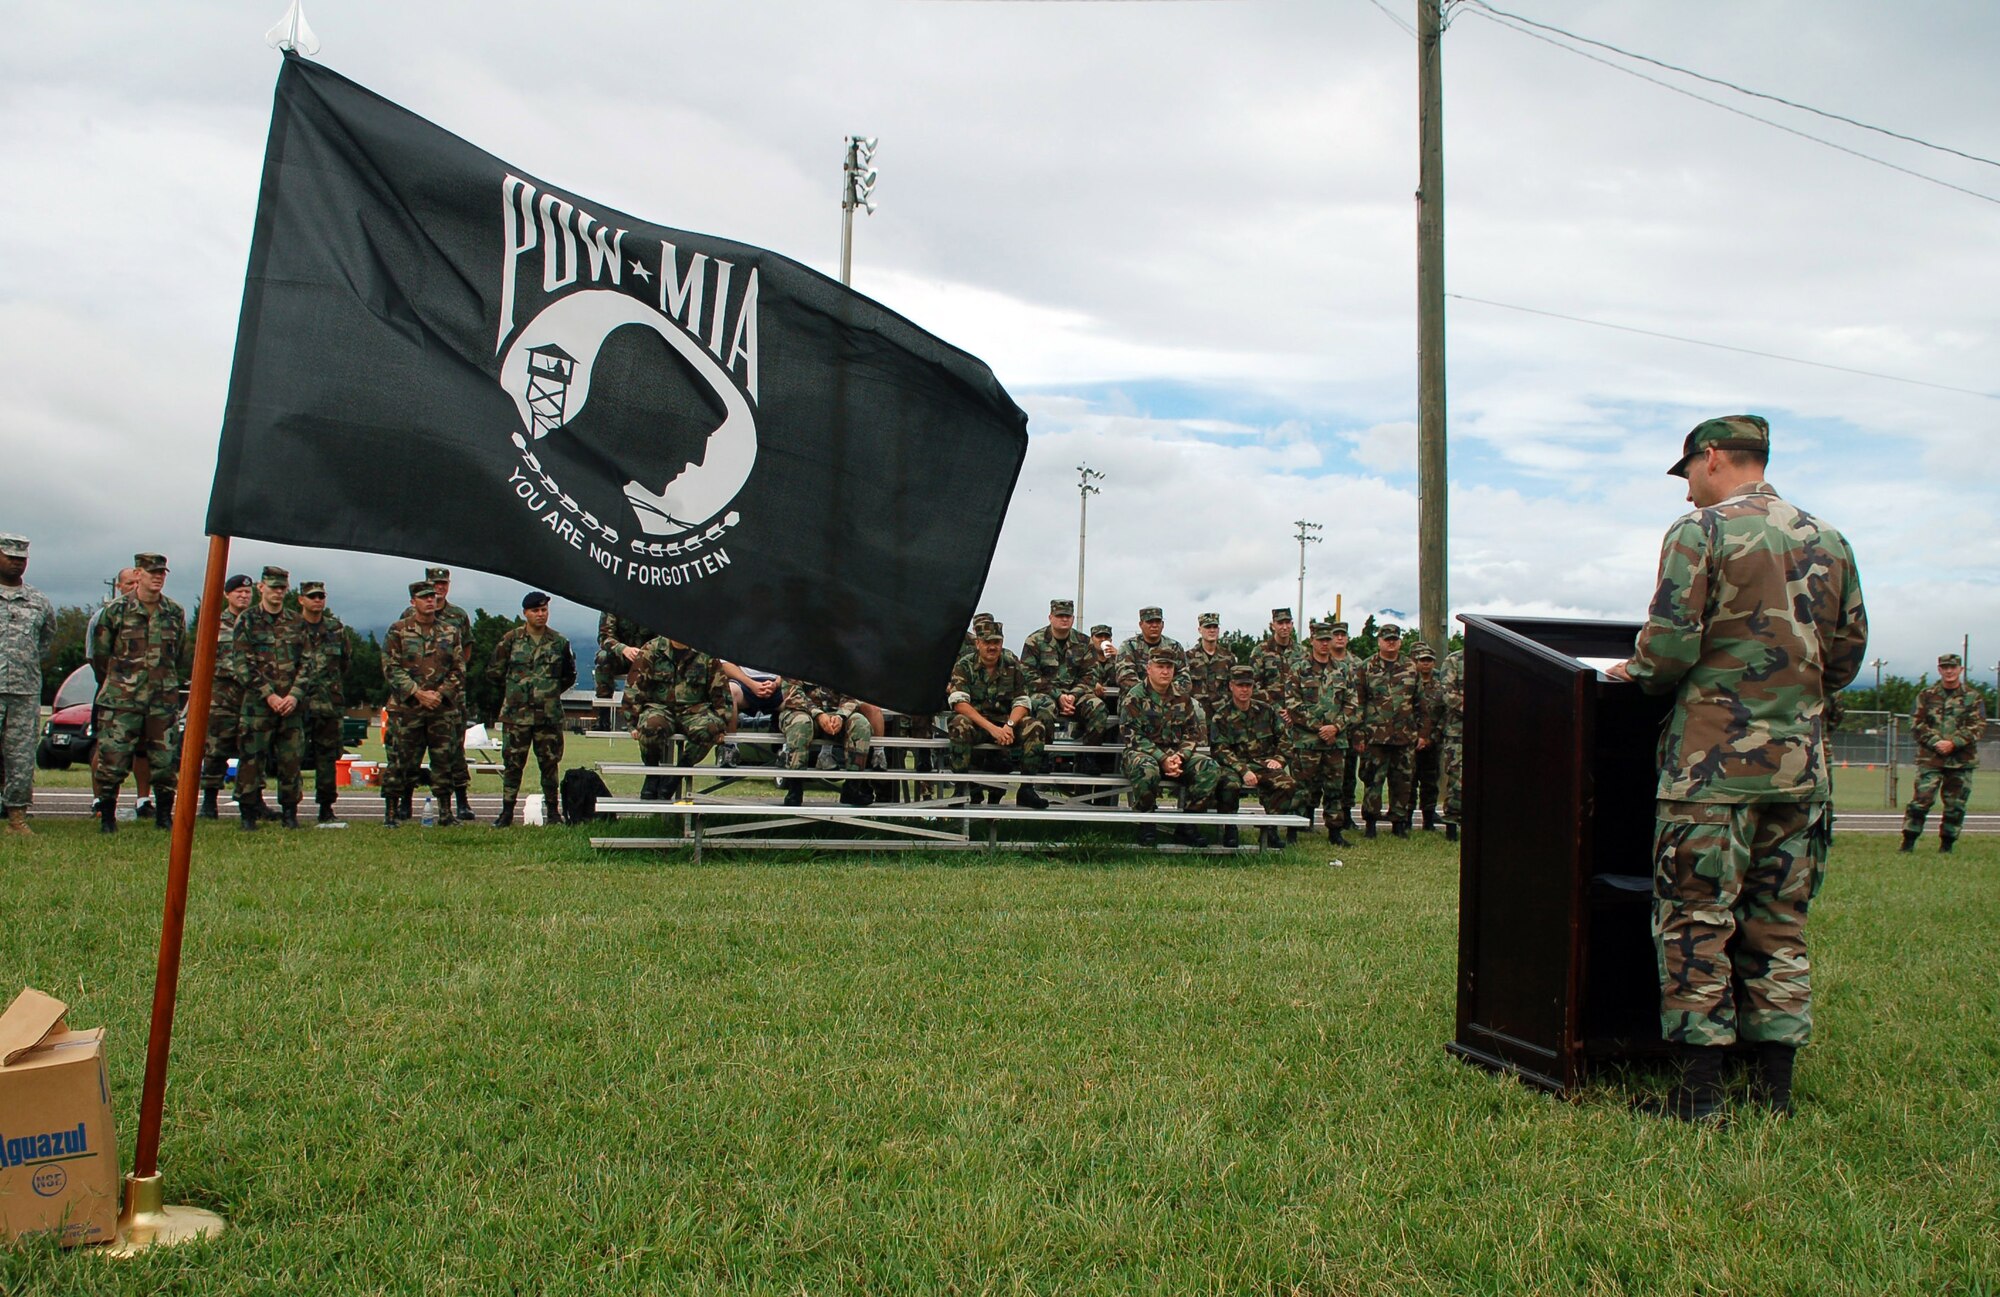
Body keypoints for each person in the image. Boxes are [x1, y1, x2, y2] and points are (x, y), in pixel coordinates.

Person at [1610, 414, 1867, 1121]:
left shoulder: (1702, 534)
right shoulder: (1830, 539)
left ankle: (1699, 1095)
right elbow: (1845, 657)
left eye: (1688, 471)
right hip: (1799, 772)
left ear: (1713, 457)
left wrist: (1629, 671)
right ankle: (1773, 1090)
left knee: (1696, 920)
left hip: (1710, 773)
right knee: (1779, 922)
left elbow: (1666, 649)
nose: (1688, 488)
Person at [89, 552, 186, 833]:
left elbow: (177, 653)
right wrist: (120, 683)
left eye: (162, 573)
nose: (158, 577)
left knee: (165, 762)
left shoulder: (173, 612)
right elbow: (101, 656)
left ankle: (164, 816)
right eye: (152, 571)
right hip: (122, 700)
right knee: (113, 760)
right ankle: (107, 817)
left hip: (162, 700)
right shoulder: (115, 611)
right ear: (138, 574)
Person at [229, 565, 315, 830]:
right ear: (261, 588)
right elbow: (242, 663)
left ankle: (290, 812)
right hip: (258, 705)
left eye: (282, 588)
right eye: (273, 587)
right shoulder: (247, 620)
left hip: (291, 706)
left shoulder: (297, 622)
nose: (277, 593)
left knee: (290, 761)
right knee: (251, 761)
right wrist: (268, 695)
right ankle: (248, 812)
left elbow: (308, 663)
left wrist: (294, 695)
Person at [381, 579, 468, 827]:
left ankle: (445, 812)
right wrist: (418, 693)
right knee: (400, 761)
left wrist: (440, 694)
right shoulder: (398, 630)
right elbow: (391, 667)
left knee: (444, 760)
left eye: (433, 596)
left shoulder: (450, 632)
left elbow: (459, 669)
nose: (431, 600)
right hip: (407, 708)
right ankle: (391, 811)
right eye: (424, 597)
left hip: (441, 709)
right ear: (413, 602)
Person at [486, 591, 575, 827]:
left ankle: (554, 812)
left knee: (549, 765)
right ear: (525, 613)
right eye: (535, 611)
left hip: (548, 715)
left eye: (544, 610)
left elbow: (568, 676)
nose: (540, 614)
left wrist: (547, 692)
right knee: (513, 765)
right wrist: (517, 691)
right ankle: (506, 812)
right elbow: (495, 672)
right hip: (517, 716)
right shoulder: (510, 640)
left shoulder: (559, 642)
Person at [1121, 646, 1219, 848]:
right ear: (1149, 668)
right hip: (1142, 754)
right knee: (1146, 768)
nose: (1165, 671)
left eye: (1169, 667)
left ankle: (1189, 824)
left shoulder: (1183, 698)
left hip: (1177, 757)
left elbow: (1193, 733)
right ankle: (1146, 822)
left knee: (1209, 767)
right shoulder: (1135, 697)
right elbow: (1132, 735)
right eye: (1160, 666)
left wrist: (1180, 757)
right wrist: (1162, 758)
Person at [947, 623, 1048, 808]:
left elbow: (1022, 701)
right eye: (987, 642)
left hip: (1005, 723)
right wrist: (993, 729)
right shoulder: (964, 665)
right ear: (978, 643)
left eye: (996, 641)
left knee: (1035, 726)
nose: (992, 646)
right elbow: (959, 703)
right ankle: (961, 787)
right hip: (978, 723)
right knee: (958, 723)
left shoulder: (1012, 665)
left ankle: (1026, 788)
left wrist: (1009, 725)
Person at [403, 567, 475, 821]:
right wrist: (419, 690)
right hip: (416, 695)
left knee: (453, 750)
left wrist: (447, 686)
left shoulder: (458, 616)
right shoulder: (408, 616)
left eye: (443, 583)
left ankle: (461, 802)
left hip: (450, 696)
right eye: (435, 584)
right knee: (410, 750)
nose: (439, 588)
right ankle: (404, 803)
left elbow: (464, 652)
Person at [626, 635, 730, 800]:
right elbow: (635, 686)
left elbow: (720, 692)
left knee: (710, 728)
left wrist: (722, 724)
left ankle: (677, 774)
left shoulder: (706, 653)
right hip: (659, 707)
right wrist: (632, 723)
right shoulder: (652, 649)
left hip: (694, 710)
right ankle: (652, 774)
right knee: (650, 726)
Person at [0, 533, 56, 838]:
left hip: (24, 691)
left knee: (20, 757)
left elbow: (45, 641)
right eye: (10, 557)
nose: (16, 564)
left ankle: (17, 818)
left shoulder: (37, 601)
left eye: (21, 559)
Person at [1902, 653, 1986, 854]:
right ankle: (1908, 841)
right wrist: (1935, 741)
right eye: (1945, 667)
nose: (1949, 671)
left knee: (1955, 806)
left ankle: (1947, 844)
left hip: (1961, 761)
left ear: (1960, 670)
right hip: (1931, 759)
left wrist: (1953, 743)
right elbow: (1915, 722)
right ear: (1939, 669)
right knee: (1921, 800)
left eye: (1953, 667)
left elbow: (1978, 725)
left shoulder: (1973, 697)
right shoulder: (1926, 695)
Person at [1286, 619, 1360, 846]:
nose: (1326, 644)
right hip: (1307, 741)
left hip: (1335, 742)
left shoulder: (1343, 670)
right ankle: (1293, 831)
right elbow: (1292, 704)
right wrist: (1319, 728)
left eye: (1328, 640)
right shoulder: (1298, 669)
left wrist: (1336, 727)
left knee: (1334, 789)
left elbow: (1352, 704)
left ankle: (1335, 831)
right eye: (1321, 640)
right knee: (1301, 789)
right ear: (1312, 641)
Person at [1209, 664, 1295, 849]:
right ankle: (1230, 828)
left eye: (1248, 686)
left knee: (1287, 783)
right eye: (1240, 685)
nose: (1244, 690)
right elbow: (1220, 750)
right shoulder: (1221, 716)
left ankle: (1271, 829)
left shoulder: (1267, 711)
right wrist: (1243, 770)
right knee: (1229, 784)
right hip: (1233, 766)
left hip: (1263, 764)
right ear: (1231, 686)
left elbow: (1285, 739)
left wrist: (1279, 759)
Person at [1355, 623, 1423, 838]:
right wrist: (1358, 733)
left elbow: (1420, 703)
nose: (1391, 642)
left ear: (1400, 642)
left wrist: (1423, 733)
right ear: (1379, 642)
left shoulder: (1411, 667)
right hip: (1375, 736)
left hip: (1405, 735)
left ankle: (1399, 823)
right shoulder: (1367, 667)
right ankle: (1371, 823)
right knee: (1373, 781)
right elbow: (1359, 702)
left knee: (1402, 781)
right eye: (1387, 639)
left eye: (1394, 639)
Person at [198, 574, 257, 818]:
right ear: (227, 595)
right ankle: (209, 801)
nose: (243, 596)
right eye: (238, 592)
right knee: (216, 750)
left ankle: (252, 799)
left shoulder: (256, 623)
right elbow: (204, 657)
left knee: (252, 750)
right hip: (222, 697)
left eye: (247, 592)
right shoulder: (214, 622)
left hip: (251, 696)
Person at [1020, 598, 1113, 753]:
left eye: (1067, 616)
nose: (1064, 619)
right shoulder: (1034, 641)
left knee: (1098, 707)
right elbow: (1029, 675)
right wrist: (1058, 696)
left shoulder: (1084, 642)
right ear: (1050, 617)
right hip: (1046, 694)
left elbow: (1090, 674)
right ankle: (1044, 756)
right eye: (1059, 616)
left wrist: (1072, 696)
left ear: (1073, 619)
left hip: (1075, 696)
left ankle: (1087, 756)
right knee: (1045, 709)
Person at [295, 580, 352, 822]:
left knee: (327, 758)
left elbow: (345, 662)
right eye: (312, 596)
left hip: (328, 703)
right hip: (297, 703)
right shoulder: (292, 628)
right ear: (301, 600)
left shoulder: (336, 629)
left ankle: (326, 807)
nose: (317, 600)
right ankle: (290, 808)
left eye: (321, 596)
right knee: (291, 757)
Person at [777, 681, 873, 807]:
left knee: (861, 724)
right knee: (801, 723)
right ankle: (795, 788)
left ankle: (852, 787)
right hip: (800, 711)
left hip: (836, 713)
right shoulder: (797, 662)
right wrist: (818, 714)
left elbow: (853, 694)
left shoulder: (846, 664)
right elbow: (792, 693)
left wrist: (841, 716)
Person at [1411, 643, 1444, 830]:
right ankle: (1405, 818)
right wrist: (1416, 736)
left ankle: (1429, 819)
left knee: (1430, 781)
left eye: (1429, 661)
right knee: (1409, 781)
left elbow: (1444, 712)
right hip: (1411, 740)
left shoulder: (1441, 684)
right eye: (1422, 660)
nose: (1426, 664)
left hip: (1433, 740)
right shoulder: (1409, 681)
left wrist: (1432, 736)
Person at [1115, 607, 1186, 693]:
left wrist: (1165, 692)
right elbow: (1125, 677)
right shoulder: (1129, 646)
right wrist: (1150, 692)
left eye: (1158, 622)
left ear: (1162, 624)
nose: (1154, 625)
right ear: (1141, 624)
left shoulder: (1174, 647)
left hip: (1169, 698)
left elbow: (1184, 677)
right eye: (1149, 622)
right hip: (1137, 698)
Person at [1252, 608, 1308, 712]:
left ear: (1292, 624)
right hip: (1268, 712)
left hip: (1296, 714)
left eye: (1287, 623)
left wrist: (1294, 709)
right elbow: (1254, 685)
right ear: (1273, 625)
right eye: (1280, 623)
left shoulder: (1302, 652)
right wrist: (1275, 707)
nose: (1285, 627)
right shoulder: (1260, 651)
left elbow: (1307, 683)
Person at [1438, 647, 1465, 843]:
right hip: (1458, 732)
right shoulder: (1454, 660)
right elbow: (1448, 695)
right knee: (1458, 779)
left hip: (1489, 729)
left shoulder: (1494, 661)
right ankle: (1452, 823)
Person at [1184, 612, 1233, 720]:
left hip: (1223, 715)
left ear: (1218, 630)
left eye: (1215, 627)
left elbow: (1234, 687)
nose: (1212, 630)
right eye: (1207, 627)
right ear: (1200, 630)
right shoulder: (1188, 658)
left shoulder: (1229, 658)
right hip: (1196, 715)